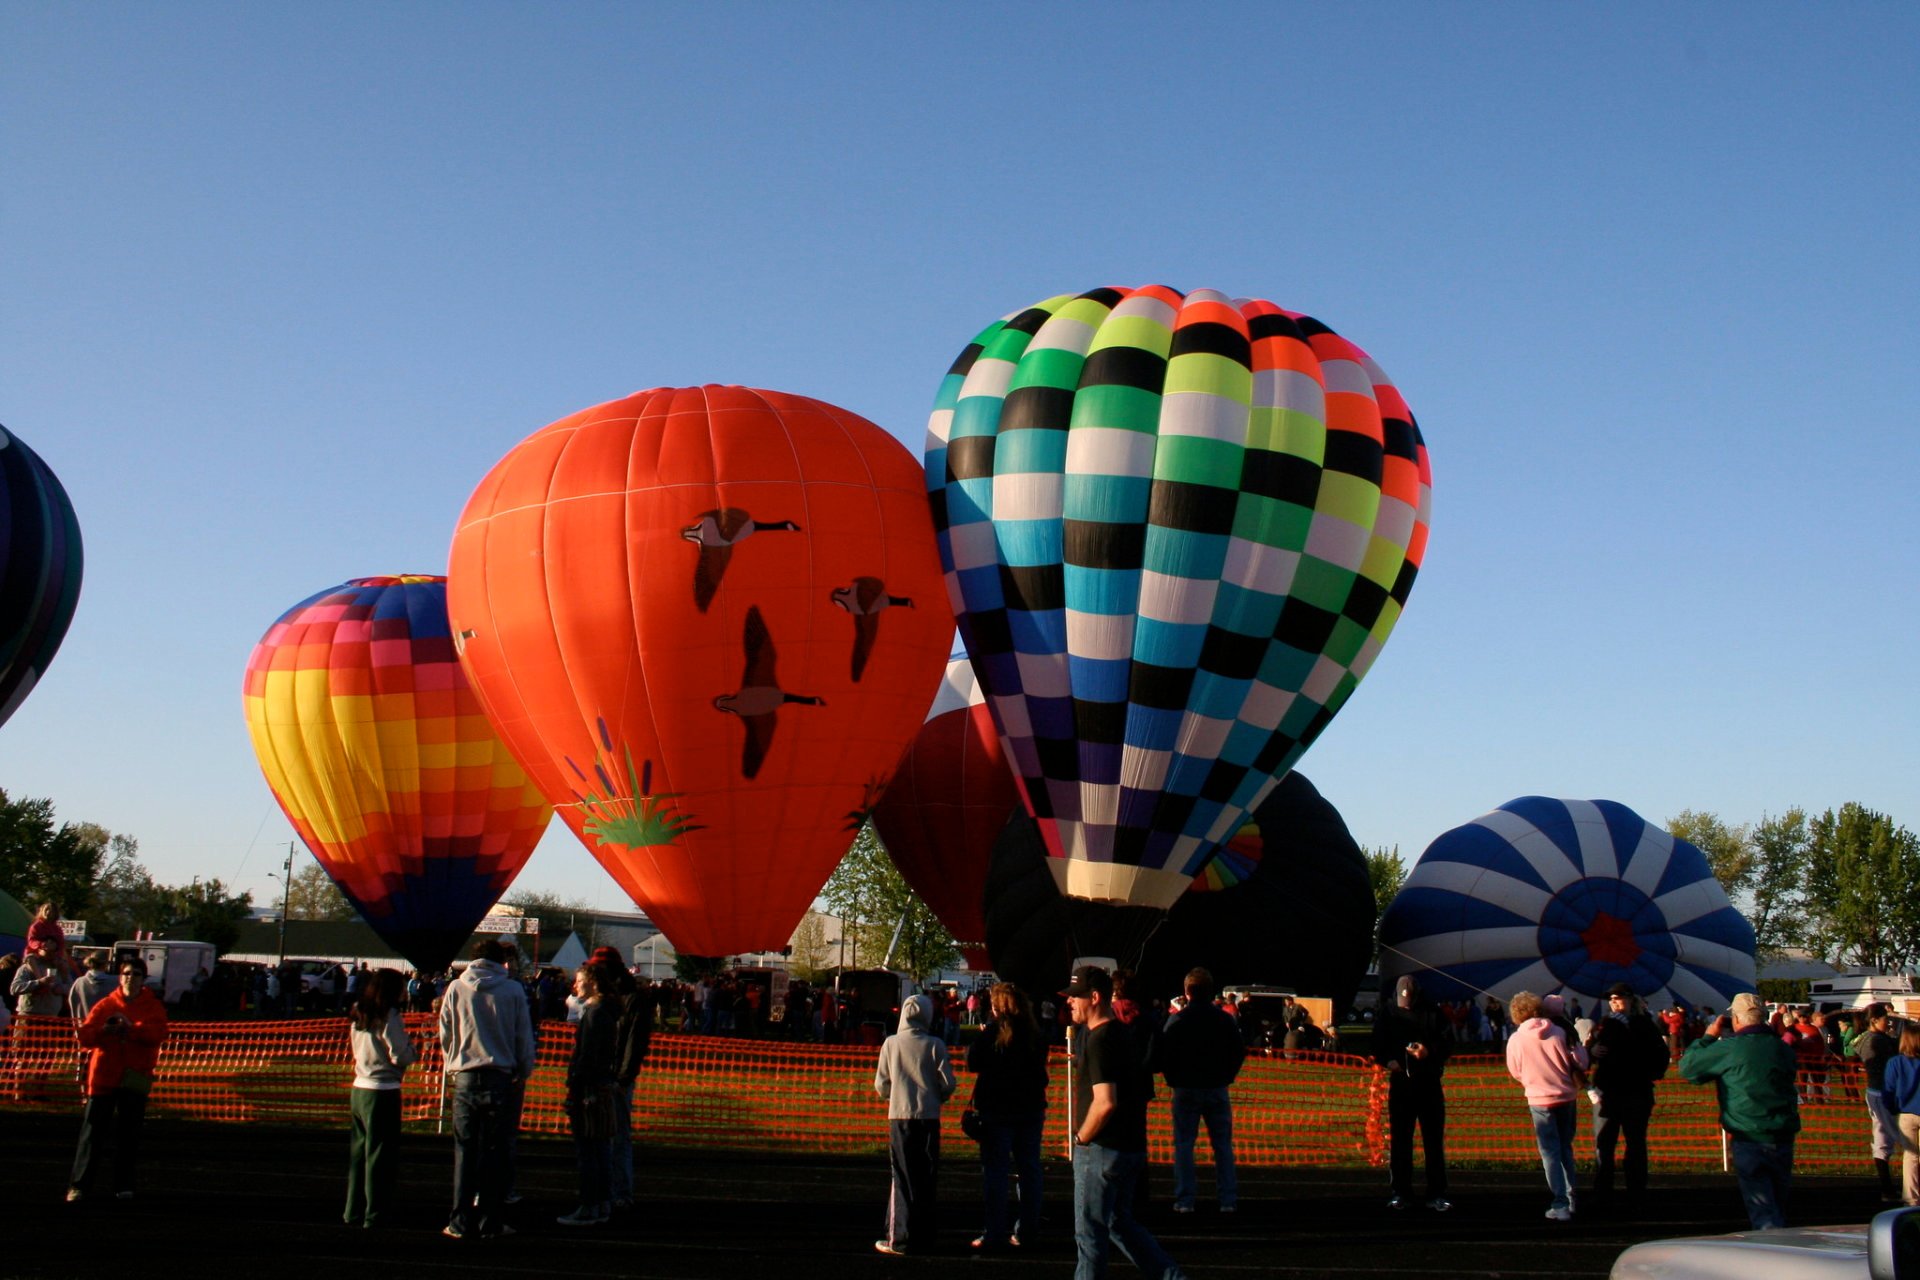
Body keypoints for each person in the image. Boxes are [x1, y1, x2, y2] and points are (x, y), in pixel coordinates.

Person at [1067, 964, 1187, 1280]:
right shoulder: (1121, 1032)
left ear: (1094, 997)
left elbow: (1105, 1102)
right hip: (1129, 1146)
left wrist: (1080, 1138)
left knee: (1089, 1234)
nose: (1070, 1002)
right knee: (1118, 1223)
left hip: (1101, 1149)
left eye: (1076, 997)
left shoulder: (1099, 1039)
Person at [438, 939, 536, 1239]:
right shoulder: (512, 990)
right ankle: (490, 1220)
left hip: (466, 1074)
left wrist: (451, 1063)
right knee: (494, 1152)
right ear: (501, 961)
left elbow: (445, 1031)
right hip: (500, 1076)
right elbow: (523, 1035)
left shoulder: (457, 988)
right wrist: (524, 1069)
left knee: (465, 1151)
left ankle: (460, 1220)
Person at [1679, 991, 1801, 1229]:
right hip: (1782, 1134)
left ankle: (1771, 1254)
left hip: (1749, 1135)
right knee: (1778, 1203)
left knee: (1763, 1211)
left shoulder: (1732, 1049)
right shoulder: (1782, 1049)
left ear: (1736, 1019)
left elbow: (1689, 1068)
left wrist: (1707, 1038)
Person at [67, 956, 169, 1202]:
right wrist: (105, 1030)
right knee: (92, 1134)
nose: (129, 978)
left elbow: (158, 1033)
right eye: (125, 973)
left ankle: (124, 1185)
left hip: (134, 1077)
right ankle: (79, 1185)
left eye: (135, 974)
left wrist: (132, 1028)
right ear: (119, 976)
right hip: (104, 1076)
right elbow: (85, 1035)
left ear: (143, 979)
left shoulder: (152, 1006)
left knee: (128, 1135)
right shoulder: (105, 1005)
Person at [1152, 967, 1244, 1214]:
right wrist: (1227, 1076)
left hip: (1185, 1087)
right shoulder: (1224, 1019)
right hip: (1215, 1086)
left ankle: (1185, 1199)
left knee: (1183, 1144)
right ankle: (1227, 1199)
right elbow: (1237, 1052)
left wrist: (1172, 1077)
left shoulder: (1177, 1020)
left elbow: (1165, 1052)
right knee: (1222, 1145)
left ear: (1186, 991)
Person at [965, 982, 1048, 1253]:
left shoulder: (992, 1033)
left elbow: (972, 1062)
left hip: (997, 1109)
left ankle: (994, 1232)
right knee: (1029, 1170)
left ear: (998, 1006)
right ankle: (1028, 1229)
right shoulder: (1035, 1034)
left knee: (996, 1173)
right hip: (1030, 1107)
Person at [873, 993, 955, 1255]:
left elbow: (881, 1084)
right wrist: (938, 1096)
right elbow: (948, 1083)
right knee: (926, 1176)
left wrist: (892, 1094)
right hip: (929, 1116)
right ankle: (925, 1233)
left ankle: (899, 1236)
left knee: (902, 1175)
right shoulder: (935, 1044)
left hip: (900, 1115)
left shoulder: (891, 1043)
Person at [1505, 990, 1588, 1222]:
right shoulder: (1560, 1032)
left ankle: (1559, 1203)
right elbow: (1581, 1061)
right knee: (1565, 1148)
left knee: (1549, 1152)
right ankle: (1570, 1197)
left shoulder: (1516, 1040)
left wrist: (1533, 1081)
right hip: (1566, 1097)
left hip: (1539, 1100)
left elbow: (1515, 1071)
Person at [1371, 973, 1453, 1211]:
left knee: (1433, 1142)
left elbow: (1448, 1043)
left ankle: (1436, 1192)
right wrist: (1389, 1061)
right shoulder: (1388, 1013)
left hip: (1429, 1084)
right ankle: (1400, 1191)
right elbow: (1377, 1044)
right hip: (1401, 1085)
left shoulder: (1434, 1013)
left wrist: (1429, 1051)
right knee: (1400, 1141)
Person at [1586, 982, 1669, 1214]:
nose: (1614, 1002)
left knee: (1634, 1145)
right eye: (1611, 999)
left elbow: (1660, 1056)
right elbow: (1594, 1049)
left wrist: (1644, 1073)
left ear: (1631, 1000)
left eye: (1619, 998)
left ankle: (1636, 1193)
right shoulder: (1607, 1024)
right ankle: (1604, 1193)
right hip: (1610, 1092)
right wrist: (1592, 1050)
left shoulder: (1643, 1025)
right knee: (1605, 1144)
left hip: (1634, 1093)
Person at [344, 968, 416, 1228]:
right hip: (383, 1089)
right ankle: (376, 1213)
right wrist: (412, 1051)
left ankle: (353, 1210)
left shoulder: (358, 1011)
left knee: (358, 1154)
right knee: (380, 1156)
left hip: (359, 1086)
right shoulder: (390, 1016)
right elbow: (399, 1054)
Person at [558, 963, 619, 1226]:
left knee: (588, 1149)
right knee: (601, 1148)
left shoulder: (594, 1014)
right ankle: (602, 1202)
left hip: (589, 1088)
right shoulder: (605, 1011)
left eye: (579, 980)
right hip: (601, 1085)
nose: (575, 985)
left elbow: (587, 1056)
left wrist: (576, 1085)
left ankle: (589, 1205)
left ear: (592, 982)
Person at [1852, 1003, 1902, 1202]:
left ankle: (1888, 1188)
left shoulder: (1866, 1039)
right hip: (1883, 1092)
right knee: (1897, 1139)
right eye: (1885, 1020)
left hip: (1876, 1091)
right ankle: (1889, 1189)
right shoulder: (1876, 1041)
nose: (1887, 1023)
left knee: (1884, 1139)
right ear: (1874, 1020)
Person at [1881, 1021, 1920, 1207]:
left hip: (1906, 1113)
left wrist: (1892, 1107)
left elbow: (1888, 1090)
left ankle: (1910, 1198)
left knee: (1910, 1156)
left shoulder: (1895, 1063)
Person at [68, 952, 117, 1021]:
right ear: (106, 964)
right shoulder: (115, 982)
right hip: (106, 1028)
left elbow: (73, 1002)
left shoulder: (79, 982)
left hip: (83, 1026)